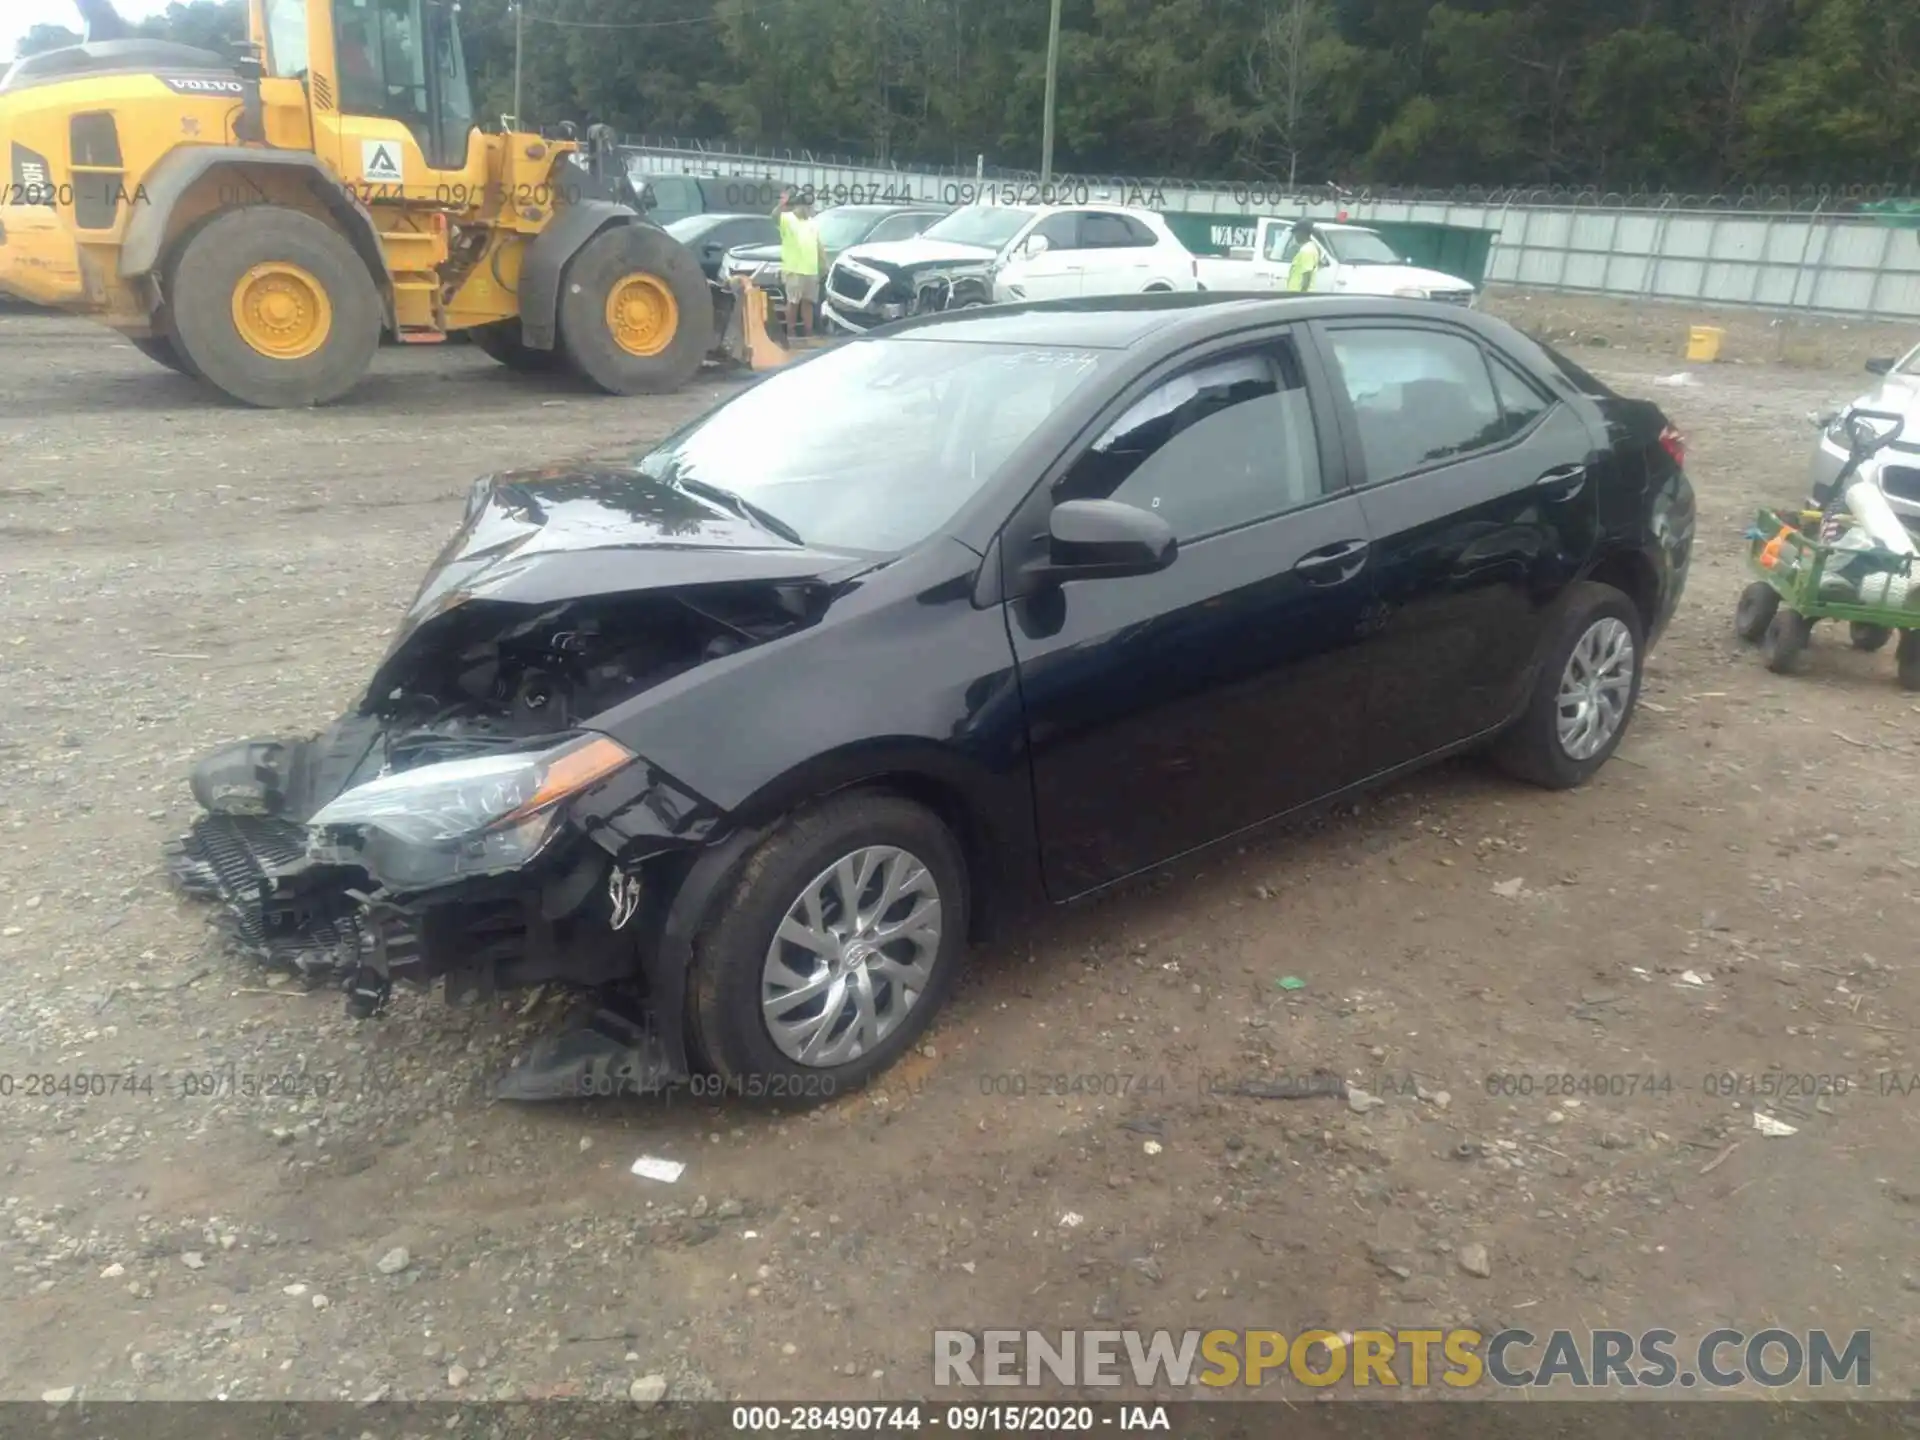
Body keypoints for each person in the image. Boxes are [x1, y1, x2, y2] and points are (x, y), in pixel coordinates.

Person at [772, 189, 823, 342]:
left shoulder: (812, 223)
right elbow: (774, 217)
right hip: (794, 270)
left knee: (808, 303)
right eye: (804, 206)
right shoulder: (787, 219)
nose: (807, 210)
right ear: (797, 206)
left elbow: (818, 244)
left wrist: (823, 264)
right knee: (793, 302)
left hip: (811, 271)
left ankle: (808, 332)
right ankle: (790, 332)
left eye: (809, 207)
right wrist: (782, 204)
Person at [1286, 218, 1325, 293]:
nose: (1295, 236)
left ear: (1302, 233)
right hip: (1295, 293)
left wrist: (1302, 295)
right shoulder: (1311, 247)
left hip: (1298, 294)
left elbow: (1307, 276)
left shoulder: (1307, 251)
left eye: (1296, 233)